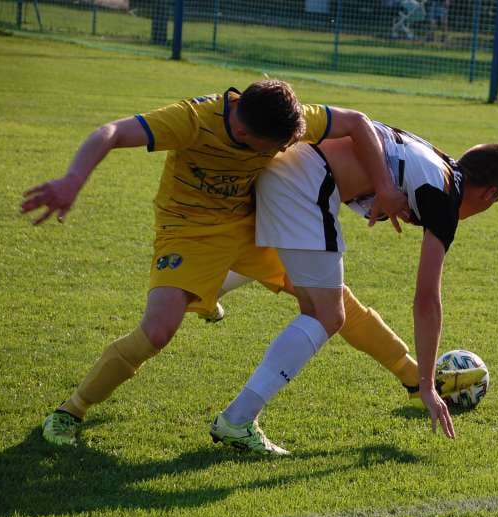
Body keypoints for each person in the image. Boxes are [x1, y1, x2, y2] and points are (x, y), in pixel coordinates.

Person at [21, 79, 416, 447]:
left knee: (331, 303)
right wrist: (73, 179)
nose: (279, 153)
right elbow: (110, 132)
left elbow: (358, 122)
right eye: (272, 148)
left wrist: (384, 184)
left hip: (251, 227)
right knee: (157, 331)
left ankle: (414, 378)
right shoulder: (191, 120)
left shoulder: (277, 115)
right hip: (188, 233)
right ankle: (69, 411)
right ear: (243, 133)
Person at [209, 122, 498, 455]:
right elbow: (427, 300)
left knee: (296, 275)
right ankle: (238, 419)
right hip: (306, 184)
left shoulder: (434, 159)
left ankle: (201, 292)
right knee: (328, 314)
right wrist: (429, 386)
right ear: (489, 195)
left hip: (285, 166)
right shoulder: (445, 199)